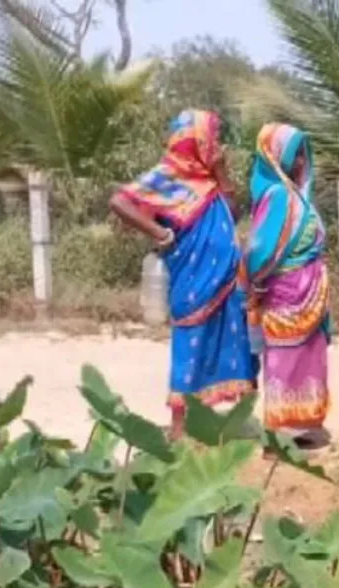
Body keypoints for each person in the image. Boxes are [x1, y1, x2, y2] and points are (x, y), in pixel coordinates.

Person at [109, 110, 256, 438]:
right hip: (192, 280)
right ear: (195, 140)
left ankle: (225, 423)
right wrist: (158, 233)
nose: (217, 144)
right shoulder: (167, 177)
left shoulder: (208, 177)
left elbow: (231, 214)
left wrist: (221, 171)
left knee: (228, 345)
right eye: (212, 138)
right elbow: (119, 201)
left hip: (227, 280)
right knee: (190, 347)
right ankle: (179, 430)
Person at [245, 123, 332, 441]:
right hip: (286, 292)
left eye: (302, 155)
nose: (300, 163)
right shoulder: (279, 195)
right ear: (276, 158)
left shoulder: (296, 195)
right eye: (293, 156)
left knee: (305, 357)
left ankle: (299, 425)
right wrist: (257, 283)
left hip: (308, 290)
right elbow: (260, 247)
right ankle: (279, 431)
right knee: (284, 358)